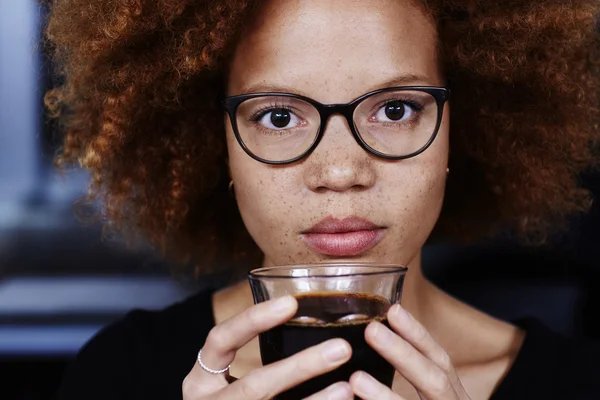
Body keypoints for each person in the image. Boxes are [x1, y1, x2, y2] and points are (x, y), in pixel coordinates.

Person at [44, 0, 600, 399]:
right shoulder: (119, 375)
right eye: (279, 117)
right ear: (216, 145)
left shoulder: (577, 383)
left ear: (463, 126)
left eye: (397, 109)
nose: (340, 172)